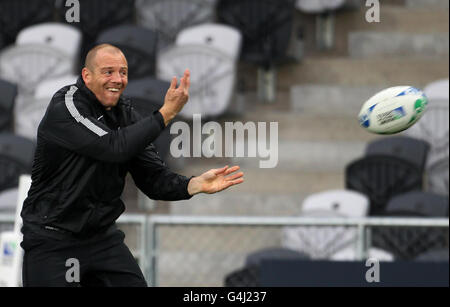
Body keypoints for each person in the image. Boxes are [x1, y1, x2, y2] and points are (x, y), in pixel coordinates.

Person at [20, 44, 244, 287]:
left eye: (123, 72)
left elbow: (153, 179)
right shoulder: (66, 106)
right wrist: (166, 113)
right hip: (52, 240)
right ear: (87, 75)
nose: (117, 79)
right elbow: (113, 147)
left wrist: (192, 185)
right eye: (108, 72)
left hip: (101, 239)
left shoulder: (126, 114)